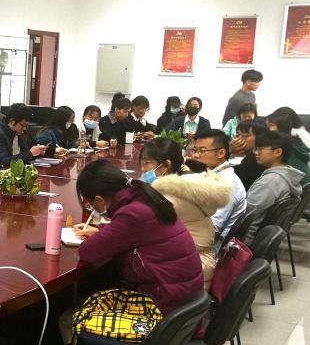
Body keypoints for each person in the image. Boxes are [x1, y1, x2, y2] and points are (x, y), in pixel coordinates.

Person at [74, 159, 204, 315]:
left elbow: (88, 251)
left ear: (99, 200)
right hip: (181, 299)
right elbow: (131, 232)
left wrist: (100, 235)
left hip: (163, 306)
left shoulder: (133, 214)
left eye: (90, 204)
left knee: (76, 311)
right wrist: (100, 231)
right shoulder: (142, 196)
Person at [140, 138, 231, 288]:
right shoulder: (193, 185)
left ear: (166, 165)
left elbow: (138, 229)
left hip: (185, 274)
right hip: (200, 264)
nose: (143, 169)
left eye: (146, 163)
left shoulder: (169, 198)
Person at [243, 131, 304, 243]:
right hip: (258, 237)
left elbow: (245, 215)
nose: (256, 153)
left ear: (277, 152)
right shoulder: (286, 175)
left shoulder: (270, 182)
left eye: (260, 149)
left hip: (242, 240)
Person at [191, 129, 247, 251]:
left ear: (221, 153)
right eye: (195, 150)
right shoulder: (212, 173)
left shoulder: (227, 183)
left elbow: (213, 228)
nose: (195, 155)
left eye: (202, 151)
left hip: (209, 247)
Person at [0, 103, 49, 169]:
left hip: (16, 172)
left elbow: (25, 155)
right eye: (23, 125)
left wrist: (37, 152)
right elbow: (3, 162)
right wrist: (30, 153)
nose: (24, 128)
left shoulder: (21, 133)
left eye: (26, 126)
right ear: (12, 121)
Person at [265, 110, 310, 184]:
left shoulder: (287, 146)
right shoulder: (294, 141)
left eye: (271, 125)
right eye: (266, 126)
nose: (267, 129)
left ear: (282, 126)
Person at [231, 119, 267, 191]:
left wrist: (229, 152)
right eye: (237, 135)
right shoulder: (250, 157)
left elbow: (230, 178)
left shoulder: (255, 159)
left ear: (259, 138)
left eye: (245, 136)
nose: (239, 139)